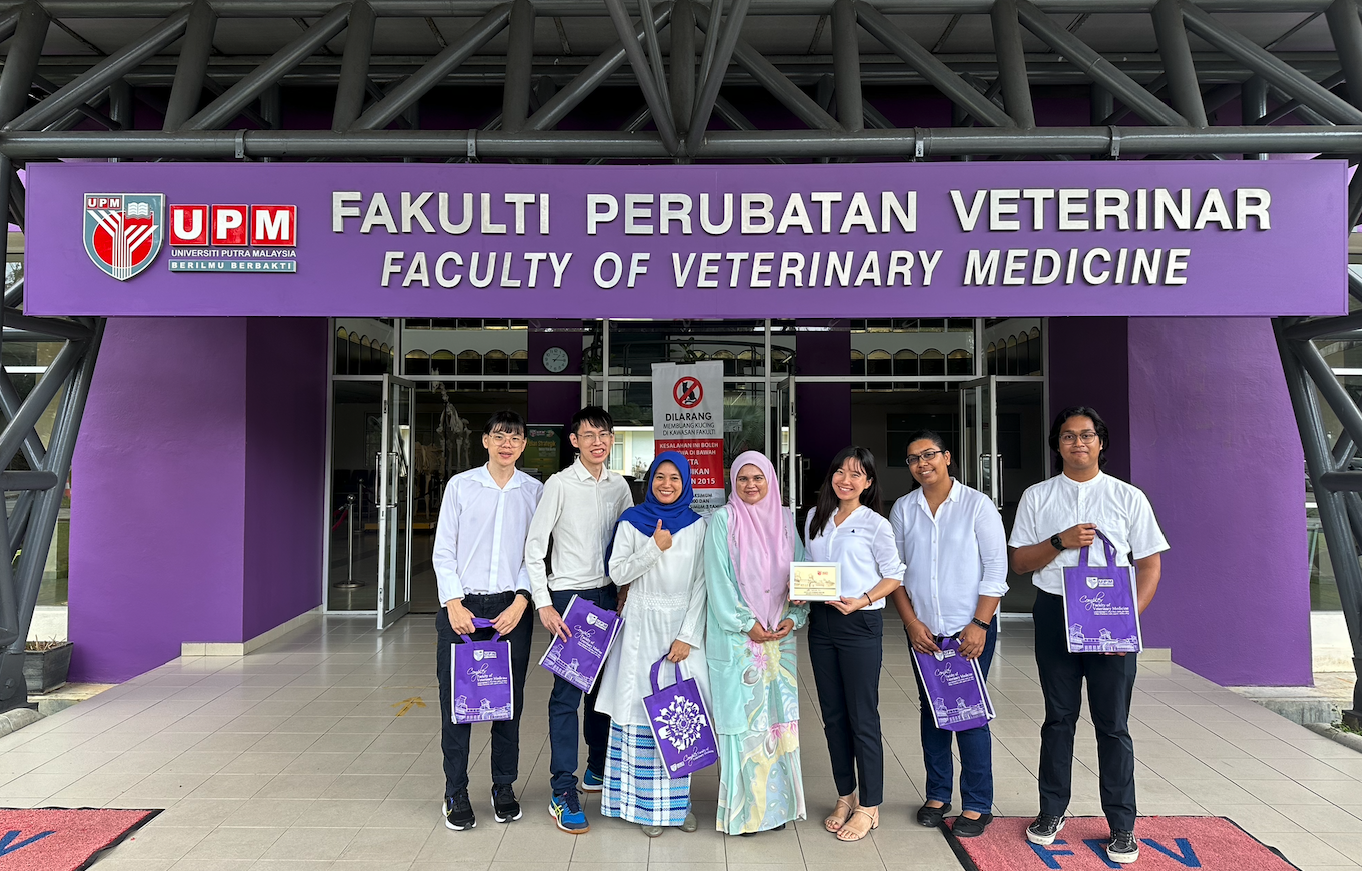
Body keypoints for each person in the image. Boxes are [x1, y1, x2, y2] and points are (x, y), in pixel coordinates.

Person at [1008, 406, 1168, 865]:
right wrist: (1060, 541)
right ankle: (1051, 811)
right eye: (1068, 436)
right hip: (1055, 610)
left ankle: (1121, 824)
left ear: (1101, 442)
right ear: (1056, 445)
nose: (1077, 443)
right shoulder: (1038, 496)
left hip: (1109, 618)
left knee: (1112, 723)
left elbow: (1150, 565)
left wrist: (1125, 623)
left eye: (1086, 435)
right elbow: (1019, 563)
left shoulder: (1127, 497)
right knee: (1058, 718)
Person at [888, 430, 1007, 838]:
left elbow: (996, 569)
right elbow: (895, 572)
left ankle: (977, 803)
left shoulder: (977, 505)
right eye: (913, 458)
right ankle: (938, 795)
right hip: (924, 633)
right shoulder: (904, 509)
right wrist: (910, 623)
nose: (922, 464)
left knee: (969, 714)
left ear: (947, 457)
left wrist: (980, 624)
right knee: (933, 711)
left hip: (969, 630)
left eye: (929, 455)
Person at [525, 406, 635, 834]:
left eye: (604, 434)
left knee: (603, 690)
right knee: (567, 696)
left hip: (609, 596)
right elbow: (534, 548)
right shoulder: (558, 484)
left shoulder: (619, 486)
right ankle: (562, 790)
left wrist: (625, 592)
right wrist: (543, 603)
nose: (597, 442)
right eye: (588, 435)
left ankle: (597, 768)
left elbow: (629, 541)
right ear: (574, 441)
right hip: (571, 599)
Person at [433, 410, 543, 831]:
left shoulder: (533, 491)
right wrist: (453, 602)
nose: (506, 444)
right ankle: (455, 791)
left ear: (524, 444)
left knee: (507, 704)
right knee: (457, 704)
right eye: (499, 436)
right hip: (462, 606)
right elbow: (444, 550)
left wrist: (521, 600)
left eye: (515, 438)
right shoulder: (461, 486)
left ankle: (503, 786)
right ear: (485, 441)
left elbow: (535, 554)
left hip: (510, 610)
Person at [596, 452, 710, 838]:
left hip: (680, 627)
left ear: (686, 482)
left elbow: (702, 584)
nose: (666, 484)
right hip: (640, 626)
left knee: (680, 715)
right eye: (660, 476)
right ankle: (646, 806)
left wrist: (688, 635)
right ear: (650, 481)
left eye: (675, 478)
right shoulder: (632, 521)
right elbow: (617, 572)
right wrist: (654, 547)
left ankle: (678, 806)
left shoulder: (697, 526)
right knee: (641, 714)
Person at [802, 446, 905, 843]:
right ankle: (846, 795)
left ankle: (870, 804)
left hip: (860, 622)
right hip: (822, 623)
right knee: (832, 715)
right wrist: (801, 590)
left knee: (862, 716)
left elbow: (894, 575)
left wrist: (862, 599)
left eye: (856, 474)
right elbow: (809, 567)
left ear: (868, 482)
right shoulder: (815, 516)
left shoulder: (875, 524)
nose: (846, 480)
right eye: (841, 472)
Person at [704, 450, 808, 836]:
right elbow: (717, 579)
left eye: (758, 478)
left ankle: (776, 809)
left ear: (770, 480)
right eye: (743, 479)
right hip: (738, 639)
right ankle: (746, 813)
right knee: (743, 724)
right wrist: (747, 623)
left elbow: (800, 573)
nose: (750, 485)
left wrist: (794, 616)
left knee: (778, 722)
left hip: (779, 638)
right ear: (733, 483)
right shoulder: (724, 520)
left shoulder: (785, 521)